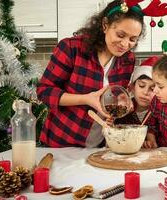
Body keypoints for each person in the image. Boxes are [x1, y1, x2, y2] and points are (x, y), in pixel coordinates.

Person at [36, 0, 145, 148]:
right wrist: (86, 99)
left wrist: (123, 102)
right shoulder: (71, 48)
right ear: (105, 25)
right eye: (120, 35)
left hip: (98, 146)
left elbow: (115, 97)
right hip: (61, 144)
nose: (125, 45)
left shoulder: (128, 60)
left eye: (133, 39)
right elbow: (44, 92)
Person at [114, 56, 158, 125]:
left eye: (152, 89)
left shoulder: (162, 114)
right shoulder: (123, 109)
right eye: (141, 86)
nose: (145, 92)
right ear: (133, 87)